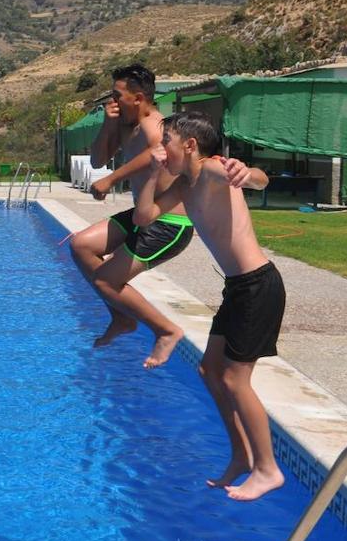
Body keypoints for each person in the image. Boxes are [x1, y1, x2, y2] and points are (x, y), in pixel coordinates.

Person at [136, 111, 285, 501]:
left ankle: (267, 469)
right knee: (208, 370)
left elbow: (258, 178)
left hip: (258, 286)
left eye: (165, 140)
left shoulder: (215, 169)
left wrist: (245, 171)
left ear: (189, 145)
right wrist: (152, 175)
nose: (160, 147)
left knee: (236, 379)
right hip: (237, 288)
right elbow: (144, 216)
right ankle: (240, 456)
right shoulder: (185, 187)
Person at [68, 64, 191, 368]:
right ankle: (121, 317)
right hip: (142, 215)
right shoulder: (124, 124)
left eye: (117, 96)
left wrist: (111, 180)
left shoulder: (157, 125)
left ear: (138, 98)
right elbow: (98, 159)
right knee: (81, 245)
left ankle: (167, 330)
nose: (112, 101)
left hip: (168, 223)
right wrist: (108, 125)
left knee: (106, 281)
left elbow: (153, 155)